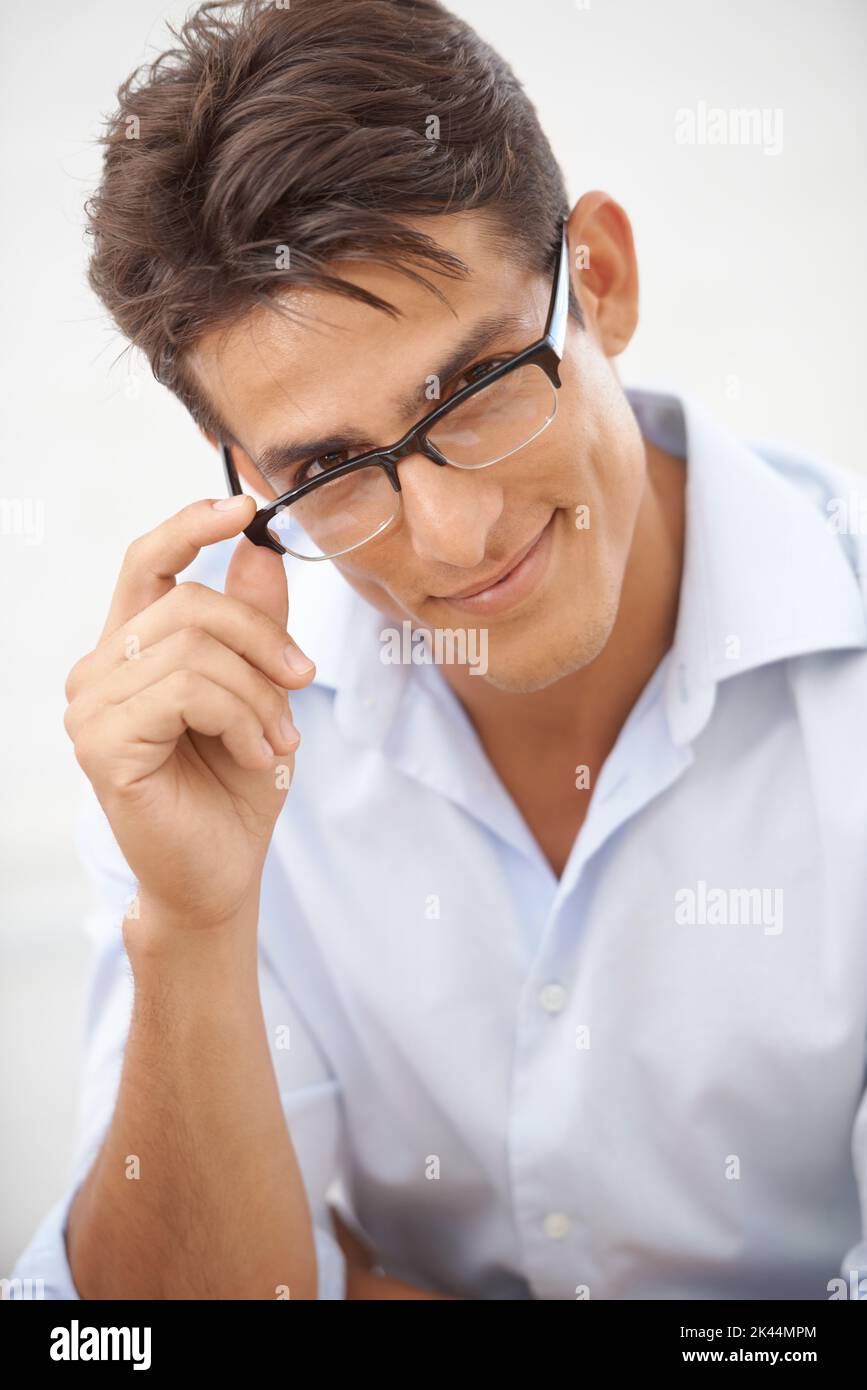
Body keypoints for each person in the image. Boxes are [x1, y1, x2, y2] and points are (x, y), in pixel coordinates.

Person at [10, 0, 867, 1300]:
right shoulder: (201, 739)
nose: (454, 534)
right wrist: (194, 923)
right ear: (246, 476)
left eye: (473, 387)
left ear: (605, 279)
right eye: (332, 466)